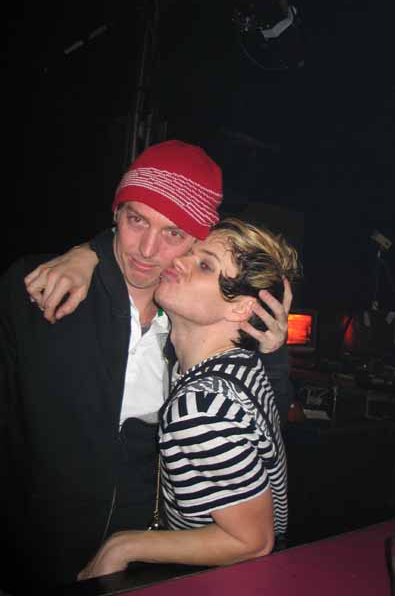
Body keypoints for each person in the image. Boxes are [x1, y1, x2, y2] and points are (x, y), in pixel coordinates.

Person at [0, 140, 292, 593]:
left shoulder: (191, 323)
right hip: (28, 561)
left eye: (174, 233)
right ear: (115, 214)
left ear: (197, 240)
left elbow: (256, 440)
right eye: (136, 220)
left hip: (141, 572)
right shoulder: (38, 289)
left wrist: (271, 355)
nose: (147, 250)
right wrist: (90, 251)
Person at [77, 217, 299, 579]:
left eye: (205, 265)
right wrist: (85, 254)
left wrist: (124, 546)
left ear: (241, 309)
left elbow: (252, 542)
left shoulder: (201, 406)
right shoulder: (244, 364)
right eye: (190, 253)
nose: (179, 261)